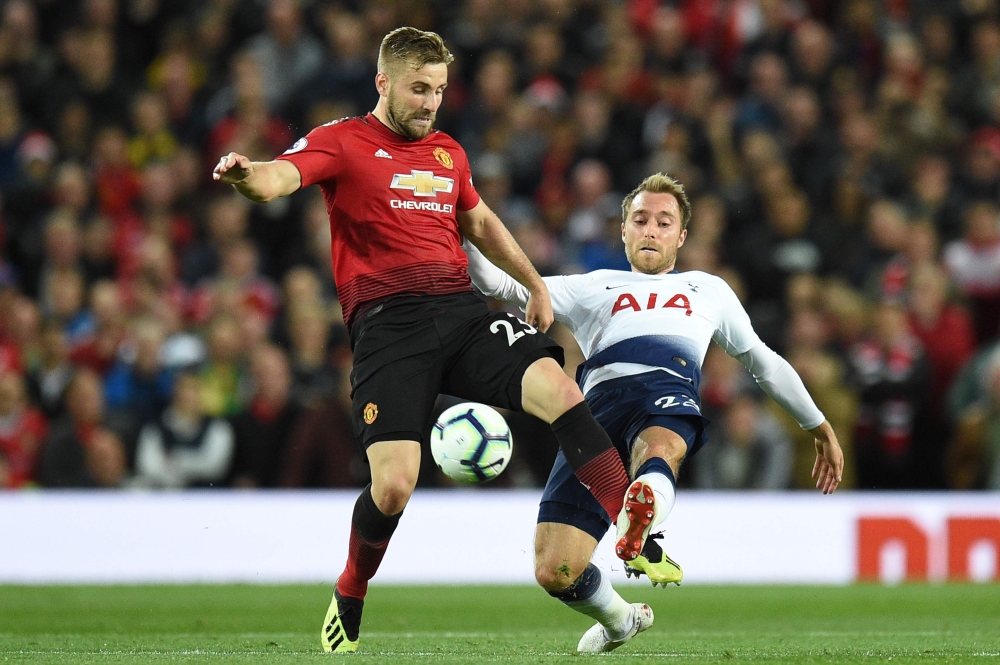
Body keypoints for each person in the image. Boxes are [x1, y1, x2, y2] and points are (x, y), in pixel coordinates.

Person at [212, 27, 638, 654]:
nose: (430, 102)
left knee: (559, 388)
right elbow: (283, 176)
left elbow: (481, 221)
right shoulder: (343, 142)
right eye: (418, 89)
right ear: (383, 83)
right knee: (394, 485)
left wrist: (532, 285)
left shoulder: (447, 154)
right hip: (388, 327)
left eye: (438, 90)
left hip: (461, 313)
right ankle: (352, 588)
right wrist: (249, 176)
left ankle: (631, 529)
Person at [466, 172, 844, 653]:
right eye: (640, 220)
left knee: (661, 446)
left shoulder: (707, 290)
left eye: (664, 222)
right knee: (554, 569)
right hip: (593, 415)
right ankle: (621, 617)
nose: (650, 230)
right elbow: (495, 281)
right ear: (623, 229)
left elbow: (763, 362)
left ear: (681, 237)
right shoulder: (592, 287)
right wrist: (460, 218)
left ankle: (641, 509)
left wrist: (817, 423)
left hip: (666, 392)